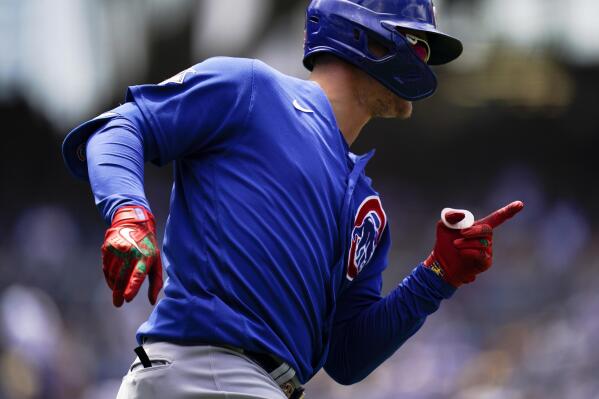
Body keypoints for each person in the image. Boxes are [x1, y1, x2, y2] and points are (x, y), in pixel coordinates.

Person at [61, 0, 523, 398]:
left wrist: (436, 276)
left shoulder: (367, 205)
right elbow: (118, 128)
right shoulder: (254, 90)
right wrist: (127, 211)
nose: (425, 62)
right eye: (418, 45)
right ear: (368, 36)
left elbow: (346, 358)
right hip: (211, 373)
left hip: (244, 382)